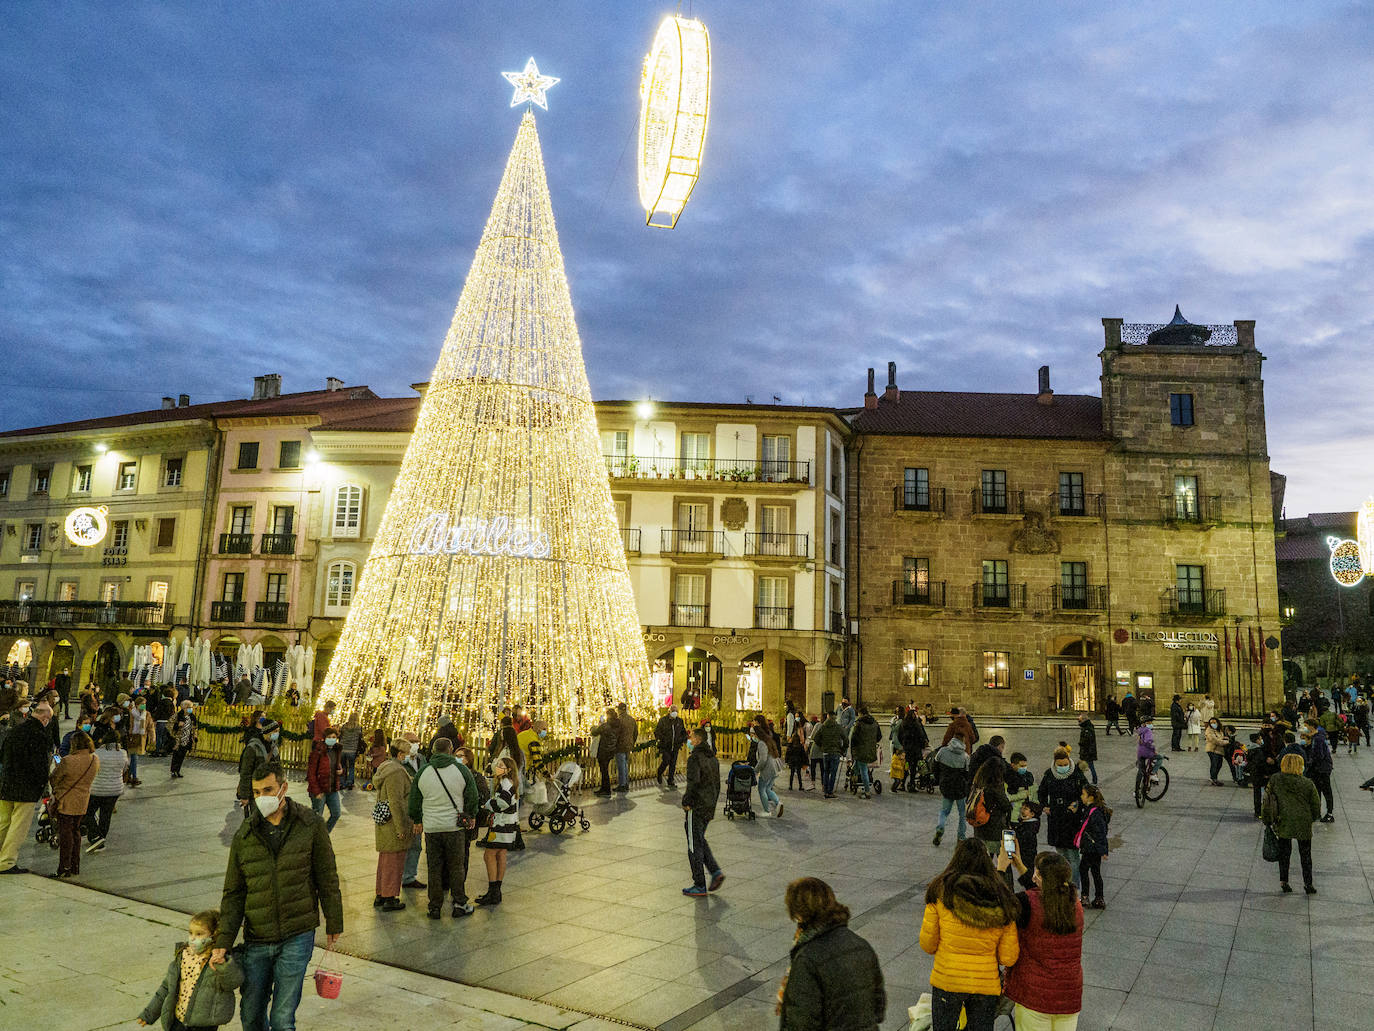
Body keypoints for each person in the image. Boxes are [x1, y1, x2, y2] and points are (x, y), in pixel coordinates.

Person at [215, 759, 342, 1031]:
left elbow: (327, 877)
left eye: (268, 790)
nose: (262, 798)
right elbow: (234, 893)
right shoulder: (245, 836)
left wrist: (334, 921)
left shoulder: (310, 824)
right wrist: (223, 939)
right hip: (258, 937)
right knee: (251, 1013)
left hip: (297, 933)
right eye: (257, 792)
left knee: (283, 1019)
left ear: (283, 788)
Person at [918, 840, 1019, 1031]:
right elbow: (1008, 957)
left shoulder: (940, 891)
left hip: (948, 980)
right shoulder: (1002, 898)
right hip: (985, 985)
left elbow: (928, 945)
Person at [776, 877, 886, 1031]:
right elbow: (879, 1008)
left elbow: (802, 1021)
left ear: (799, 915)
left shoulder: (807, 959)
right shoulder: (862, 946)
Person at [997, 850, 1084, 1030]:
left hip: (1034, 996)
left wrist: (1001, 869)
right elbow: (1045, 893)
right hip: (1068, 995)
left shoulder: (1027, 903)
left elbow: (1001, 904)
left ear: (1042, 877)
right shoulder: (1074, 903)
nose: (1034, 877)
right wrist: (1020, 865)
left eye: (1037, 872)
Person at [137, 909, 243, 1030]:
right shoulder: (183, 956)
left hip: (203, 1024)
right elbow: (166, 987)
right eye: (191, 933)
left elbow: (233, 982)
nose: (193, 938)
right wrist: (149, 1014)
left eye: (199, 934)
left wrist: (224, 965)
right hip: (178, 1020)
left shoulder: (218, 960)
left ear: (214, 935)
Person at [409, 736, 479, 919]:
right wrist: (471, 814)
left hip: (432, 828)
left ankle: (434, 906)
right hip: (453, 827)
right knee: (456, 867)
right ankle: (459, 903)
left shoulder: (423, 772)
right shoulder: (461, 770)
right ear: (450, 751)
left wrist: (417, 819)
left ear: (433, 751)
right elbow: (472, 795)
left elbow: (415, 799)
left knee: (434, 867)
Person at [0, 700, 53, 874]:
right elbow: (40, 765)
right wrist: (42, 787)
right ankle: (6, 862)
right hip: (26, 789)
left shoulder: (14, 730)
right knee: (18, 827)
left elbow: (3, 756)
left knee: (3, 823)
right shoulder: (39, 735)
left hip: (7, 785)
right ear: (45, 718)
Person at [1263, 752, 1320, 894]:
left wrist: (1267, 819)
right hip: (1303, 821)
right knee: (1305, 854)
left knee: (1284, 853)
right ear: (1300, 766)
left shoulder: (1275, 779)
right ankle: (1308, 884)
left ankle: (1284, 882)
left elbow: (1267, 800)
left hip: (1283, 820)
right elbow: (1315, 805)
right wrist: (1312, 818)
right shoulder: (1307, 783)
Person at [372, 739, 416, 911]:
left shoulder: (385, 767)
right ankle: (390, 897)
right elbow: (396, 801)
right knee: (394, 861)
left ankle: (381, 894)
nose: (409, 758)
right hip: (393, 823)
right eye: (407, 754)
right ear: (400, 754)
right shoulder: (396, 772)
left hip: (385, 821)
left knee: (385, 860)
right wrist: (401, 828)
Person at [48, 728, 98, 878]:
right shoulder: (94, 759)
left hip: (66, 801)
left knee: (65, 835)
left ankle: (64, 867)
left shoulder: (67, 760)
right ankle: (75, 865)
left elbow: (54, 778)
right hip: (83, 800)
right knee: (76, 832)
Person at [681, 726, 723, 897]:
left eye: (691, 739)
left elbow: (693, 782)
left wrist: (687, 802)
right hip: (708, 805)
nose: (689, 742)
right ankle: (715, 871)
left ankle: (699, 884)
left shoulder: (695, 759)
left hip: (696, 806)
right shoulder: (712, 758)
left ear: (697, 740)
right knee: (699, 839)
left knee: (694, 845)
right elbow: (717, 784)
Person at [1037, 747, 1088, 887]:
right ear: (1054, 763)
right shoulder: (1049, 774)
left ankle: (1074, 886)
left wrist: (1077, 804)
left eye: (1065, 764)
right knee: (1061, 854)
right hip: (1056, 818)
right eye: (1060, 765)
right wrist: (1044, 806)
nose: (1063, 767)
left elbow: (1086, 792)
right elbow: (1041, 792)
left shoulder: (1077, 774)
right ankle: (1063, 884)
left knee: (1073, 856)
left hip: (1073, 819)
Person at [476, 755, 520, 905]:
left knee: (489, 855)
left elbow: (503, 802)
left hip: (502, 825)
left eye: (501, 766)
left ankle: (493, 889)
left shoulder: (505, 783)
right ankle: (496, 891)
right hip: (509, 824)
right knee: (501, 854)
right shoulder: (509, 782)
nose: (497, 767)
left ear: (508, 770)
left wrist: (488, 804)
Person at [85, 726, 128, 853]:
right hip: (115, 789)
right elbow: (125, 768)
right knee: (106, 814)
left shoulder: (96, 754)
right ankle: (101, 837)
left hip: (98, 789)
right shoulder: (123, 753)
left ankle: (95, 836)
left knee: (88, 812)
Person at [1075, 784, 1111, 909]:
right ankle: (1099, 898)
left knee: (1084, 870)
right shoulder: (1092, 809)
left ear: (1090, 797)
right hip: (1092, 847)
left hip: (1091, 848)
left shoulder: (1095, 812)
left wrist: (1103, 850)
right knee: (1095, 872)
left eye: (1083, 794)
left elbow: (1101, 832)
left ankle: (1086, 897)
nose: (1081, 796)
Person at [969, 756, 1011, 859]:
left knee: (983, 860)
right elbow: (1006, 805)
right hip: (994, 829)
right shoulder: (995, 787)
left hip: (979, 827)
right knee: (1003, 861)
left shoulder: (977, 783)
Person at [932, 735, 970, 846]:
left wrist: (939, 780)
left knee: (944, 811)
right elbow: (967, 775)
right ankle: (961, 837)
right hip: (960, 790)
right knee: (962, 814)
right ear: (963, 741)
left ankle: (940, 828)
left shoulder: (942, 751)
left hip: (946, 786)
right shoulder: (965, 757)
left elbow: (935, 767)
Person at [306, 728, 343, 832]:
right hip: (320, 789)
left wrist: (340, 770)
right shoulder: (318, 751)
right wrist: (316, 791)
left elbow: (335, 765)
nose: (332, 739)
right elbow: (311, 773)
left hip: (332, 788)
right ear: (324, 738)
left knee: (336, 813)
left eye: (334, 737)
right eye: (329, 737)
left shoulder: (337, 750)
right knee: (317, 817)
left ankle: (324, 835)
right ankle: (313, 838)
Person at [1302, 719, 1335, 823]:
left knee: (1325, 790)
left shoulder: (1318, 738)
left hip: (1322, 769)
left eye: (1306, 726)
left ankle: (1329, 814)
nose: (1305, 729)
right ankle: (1317, 812)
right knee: (1318, 790)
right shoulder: (1317, 737)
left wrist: (1310, 763)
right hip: (1321, 768)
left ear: (1312, 726)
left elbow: (1319, 755)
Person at [236, 723, 272, 815]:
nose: (275, 735)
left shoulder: (272, 747)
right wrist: (244, 796)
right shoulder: (253, 747)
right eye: (274, 732)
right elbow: (246, 773)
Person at [849, 705, 881, 799]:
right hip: (870, 749)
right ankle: (855, 779)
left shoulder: (859, 723)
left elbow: (854, 738)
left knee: (863, 770)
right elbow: (879, 736)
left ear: (860, 714)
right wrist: (871, 741)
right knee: (858, 766)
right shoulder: (875, 723)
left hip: (860, 750)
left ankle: (867, 792)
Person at [813, 711, 847, 798]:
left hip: (826, 752)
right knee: (833, 772)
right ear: (835, 717)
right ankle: (830, 791)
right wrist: (842, 749)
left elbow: (816, 738)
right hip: (835, 752)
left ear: (828, 717)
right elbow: (846, 739)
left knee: (826, 772)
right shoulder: (838, 727)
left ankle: (825, 790)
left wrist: (822, 746)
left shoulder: (823, 727)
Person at [654, 706, 688, 786]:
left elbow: (683, 732)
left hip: (675, 746)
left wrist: (681, 739)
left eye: (676, 711)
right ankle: (659, 772)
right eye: (673, 711)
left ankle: (670, 780)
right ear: (670, 711)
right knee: (666, 760)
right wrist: (663, 739)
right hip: (666, 746)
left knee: (673, 763)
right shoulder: (663, 721)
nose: (675, 712)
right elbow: (657, 732)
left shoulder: (679, 721)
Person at [592, 706, 620, 796]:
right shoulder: (617, 724)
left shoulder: (606, 725)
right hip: (611, 750)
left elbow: (595, 732)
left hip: (604, 750)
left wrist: (594, 727)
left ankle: (606, 790)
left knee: (604, 771)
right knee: (605, 770)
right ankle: (604, 788)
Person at [615, 702, 636, 792]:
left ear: (619, 710)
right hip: (628, 745)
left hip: (620, 746)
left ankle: (622, 784)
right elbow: (636, 732)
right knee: (625, 765)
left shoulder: (619, 720)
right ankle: (626, 783)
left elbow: (616, 733)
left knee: (621, 765)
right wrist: (632, 742)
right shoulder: (631, 719)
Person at [338, 714, 362, 790]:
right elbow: (360, 738)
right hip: (352, 750)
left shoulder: (344, 726)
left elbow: (340, 736)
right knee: (351, 767)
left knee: (343, 766)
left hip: (343, 749)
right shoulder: (358, 727)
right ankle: (350, 783)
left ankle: (342, 783)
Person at [1203, 716, 1228, 786]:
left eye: (1214, 722)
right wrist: (1225, 742)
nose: (1213, 724)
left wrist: (1225, 738)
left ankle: (1214, 778)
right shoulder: (1209, 730)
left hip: (1219, 750)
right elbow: (1215, 740)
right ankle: (1213, 778)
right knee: (1215, 764)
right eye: (1211, 723)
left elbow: (1220, 737)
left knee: (1219, 764)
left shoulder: (1219, 729)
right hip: (1212, 749)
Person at [1076, 713, 1098, 785]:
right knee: (1083, 766)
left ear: (1084, 720)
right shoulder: (1087, 727)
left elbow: (1088, 741)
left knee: (1089, 766)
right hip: (1086, 751)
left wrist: (1081, 743)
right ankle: (1081, 780)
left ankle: (1094, 781)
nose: (1078, 722)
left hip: (1087, 752)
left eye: (1079, 720)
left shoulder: (1087, 729)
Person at [785, 727, 809, 791]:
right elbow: (804, 755)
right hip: (798, 761)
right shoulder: (800, 746)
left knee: (792, 774)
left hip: (792, 761)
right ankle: (800, 786)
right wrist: (806, 762)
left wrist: (786, 761)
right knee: (799, 774)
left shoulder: (790, 746)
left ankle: (790, 786)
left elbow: (787, 754)